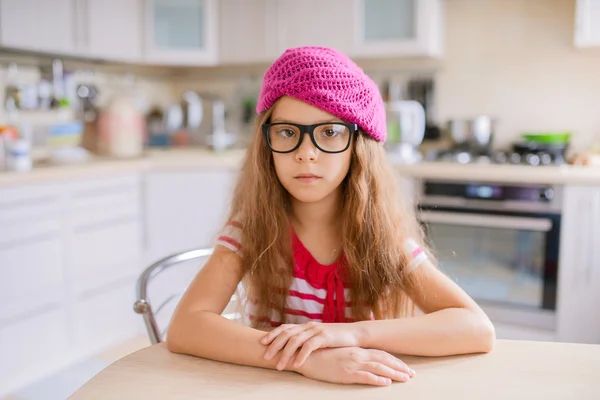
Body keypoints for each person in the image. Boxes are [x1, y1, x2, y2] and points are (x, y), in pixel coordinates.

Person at [166, 46, 495, 387]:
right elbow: (186, 326)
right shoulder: (252, 231)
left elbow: (476, 328)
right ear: (267, 143)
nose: (306, 154)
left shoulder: (381, 235)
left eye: (329, 132)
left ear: (359, 145)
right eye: (287, 133)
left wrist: (350, 335)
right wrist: (307, 359)